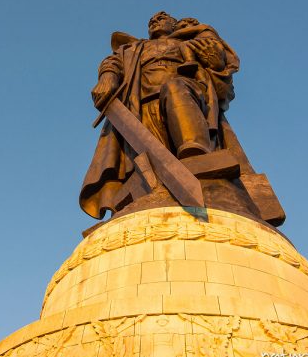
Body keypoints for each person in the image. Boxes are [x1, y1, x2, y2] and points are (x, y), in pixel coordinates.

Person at [80, 12, 241, 219]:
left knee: (175, 88)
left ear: (175, 25)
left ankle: (195, 158)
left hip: (186, 97)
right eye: (151, 21)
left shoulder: (189, 43)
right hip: (140, 108)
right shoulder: (132, 49)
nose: (155, 21)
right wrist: (108, 76)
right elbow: (112, 62)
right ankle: (145, 197)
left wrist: (216, 62)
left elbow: (221, 77)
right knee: (149, 164)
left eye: (162, 18)